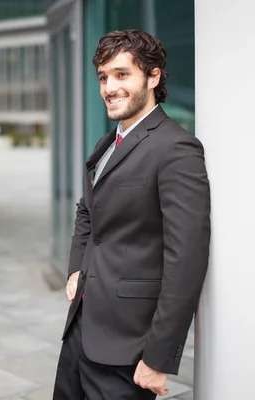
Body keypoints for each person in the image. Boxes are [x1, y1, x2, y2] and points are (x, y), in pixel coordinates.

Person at [52, 29, 211, 400]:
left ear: (153, 76)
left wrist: (158, 357)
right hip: (81, 327)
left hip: (128, 345)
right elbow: (87, 211)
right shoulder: (108, 142)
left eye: (122, 74)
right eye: (103, 77)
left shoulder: (176, 148)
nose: (109, 87)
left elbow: (185, 259)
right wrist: (77, 267)